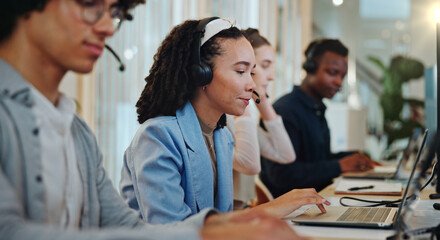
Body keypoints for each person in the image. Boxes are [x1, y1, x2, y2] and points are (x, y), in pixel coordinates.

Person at [0, 1, 307, 239]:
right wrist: (227, 228)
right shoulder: (158, 134)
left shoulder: (75, 130)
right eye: (89, 3)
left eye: (115, 11)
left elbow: (127, 227)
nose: (108, 26)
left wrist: (249, 222)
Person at [119, 17, 329, 225]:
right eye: (240, 71)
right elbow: (172, 231)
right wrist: (269, 211)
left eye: (252, 72)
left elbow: (221, 221)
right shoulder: (157, 137)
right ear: (201, 74)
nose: (251, 84)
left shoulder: (222, 137)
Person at [260, 39, 378, 197]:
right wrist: (339, 166)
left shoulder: (316, 109)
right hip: (292, 210)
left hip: (316, 199)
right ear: (311, 68)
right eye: (332, 73)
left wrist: (352, 158)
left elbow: (317, 159)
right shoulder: (286, 110)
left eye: (342, 76)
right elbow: (282, 175)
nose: (338, 82)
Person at [227, 28, 296, 204]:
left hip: (244, 214)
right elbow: (250, 165)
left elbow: (285, 155)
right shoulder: (226, 119)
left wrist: (262, 100)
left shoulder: (243, 120)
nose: (272, 76)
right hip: (231, 219)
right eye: (265, 66)